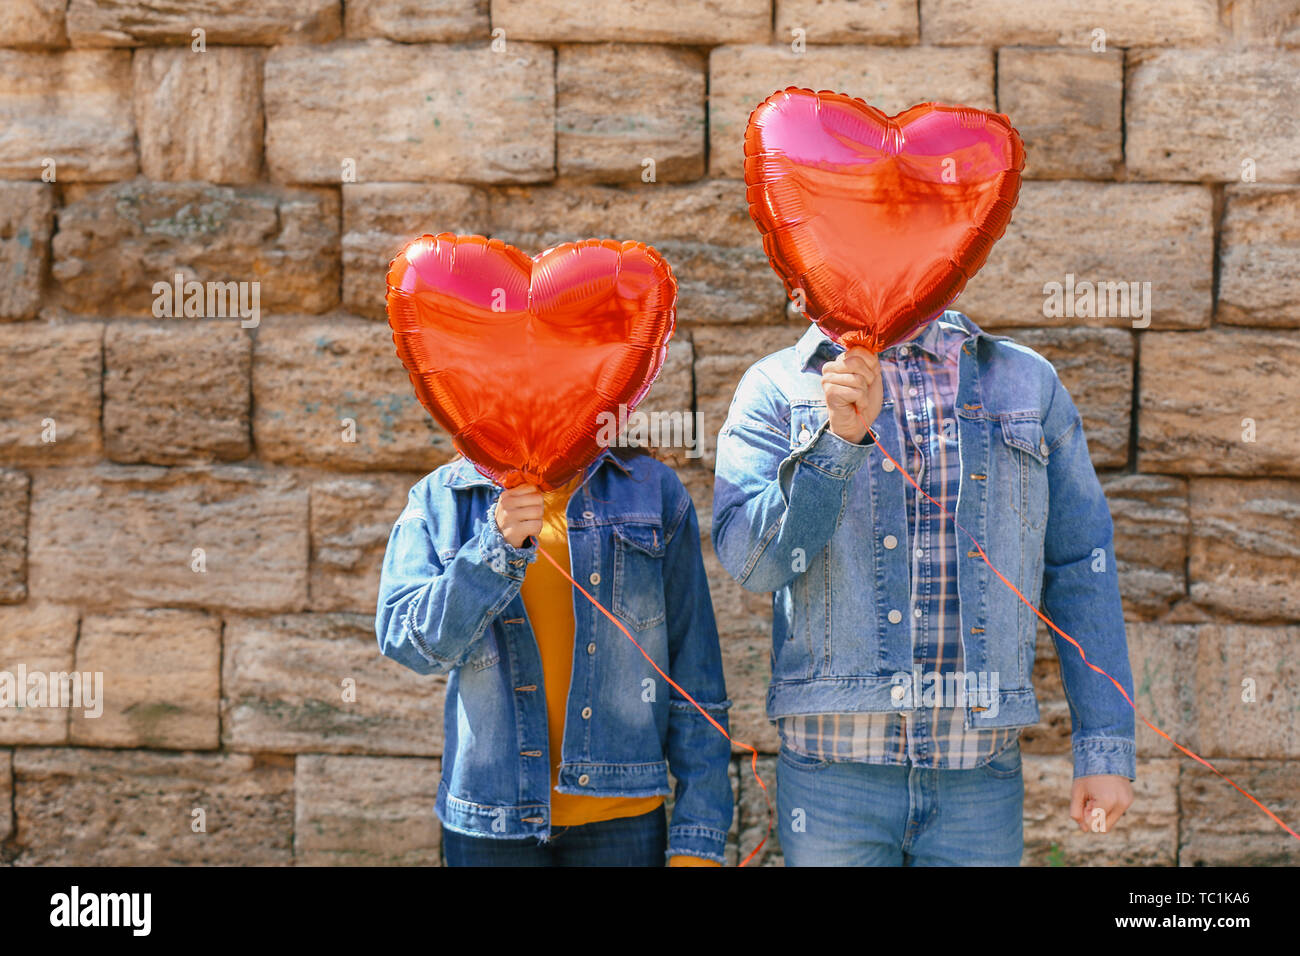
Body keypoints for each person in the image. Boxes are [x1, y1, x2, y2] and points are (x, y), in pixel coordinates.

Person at [712, 308, 1136, 866]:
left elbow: (1081, 563)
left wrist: (1104, 745)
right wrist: (837, 443)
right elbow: (752, 562)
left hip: (977, 777)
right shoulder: (776, 386)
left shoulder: (1027, 383)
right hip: (832, 778)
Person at [376, 445, 733, 866]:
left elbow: (695, 671)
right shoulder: (443, 497)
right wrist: (493, 548)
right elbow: (407, 643)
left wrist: (698, 843)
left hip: (621, 824)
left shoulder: (652, 490)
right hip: (490, 825)